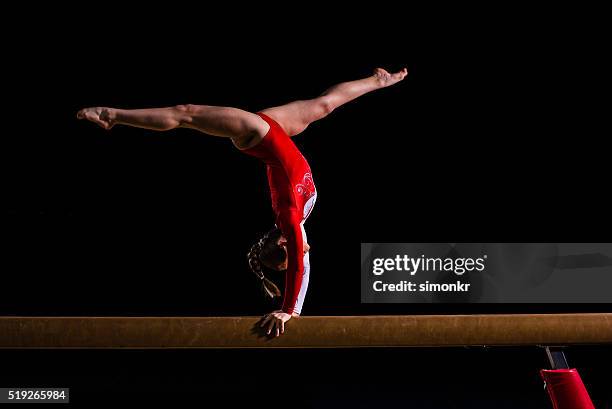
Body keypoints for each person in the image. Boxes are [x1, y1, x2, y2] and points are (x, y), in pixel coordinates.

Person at [77, 67, 408, 336]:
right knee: (324, 105)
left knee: (186, 114)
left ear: (283, 242)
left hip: (258, 135)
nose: (306, 251)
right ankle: (376, 81)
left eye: (294, 251)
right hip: (275, 129)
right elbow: (302, 269)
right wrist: (294, 310)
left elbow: (297, 265)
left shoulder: (290, 219)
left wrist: (287, 310)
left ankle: (113, 115)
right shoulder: (298, 227)